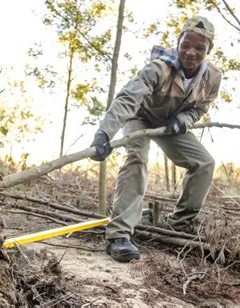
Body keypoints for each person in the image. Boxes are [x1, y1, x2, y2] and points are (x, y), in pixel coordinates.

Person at [90, 16, 222, 262]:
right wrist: (104, 133)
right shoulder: (158, 68)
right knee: (137, 158)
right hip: (139, 118)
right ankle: (118, 235)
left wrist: (184, 120)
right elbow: (128, 99)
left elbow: (200, 108)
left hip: (171, 124)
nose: (191, 52)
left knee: (204, 163)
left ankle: (180, 224)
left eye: (199, 48)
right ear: (178, 43)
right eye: (186, 45)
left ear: (209, 50)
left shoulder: (213, 77)